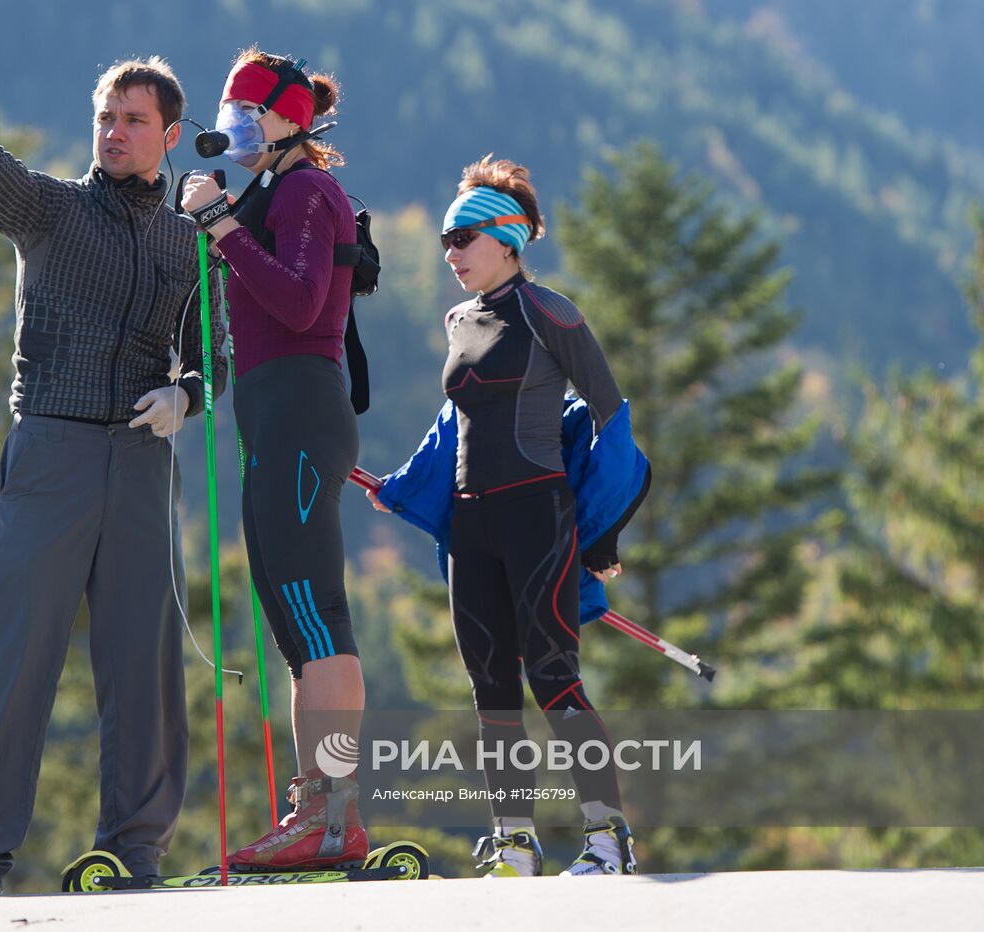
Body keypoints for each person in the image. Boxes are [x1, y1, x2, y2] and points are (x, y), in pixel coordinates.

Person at [0, 58, 226, 891]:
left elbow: (225, 350)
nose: (114, 131)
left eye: (134, 120)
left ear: (170, 136)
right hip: (52, 450)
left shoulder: (191, 241)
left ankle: (135, 851)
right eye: (106, 116)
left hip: (145, 457)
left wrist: (189, 393)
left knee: (144, 661)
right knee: (14, 657)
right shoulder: (53, 210)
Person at [369, 156, 644, 877]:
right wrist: (404, 486)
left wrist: (601, 534)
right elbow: (451, 425)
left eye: (462, 237)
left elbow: (612, 422)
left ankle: (606, 837)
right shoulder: (459, 320)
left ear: (507, 237)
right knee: (490, 686)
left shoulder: (549, 311)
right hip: (471, 527)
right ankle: (515, 842)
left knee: (554, 676)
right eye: (444, 241)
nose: (450, 252)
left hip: (537, 516)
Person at [179, 49, 366, 871]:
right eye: (232, 113)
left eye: (252, 113)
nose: (239, 127)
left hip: (297, 409)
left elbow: (296, 301)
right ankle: (314, 812)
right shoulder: (273, 190)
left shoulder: (301, 190)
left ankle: (334, 815)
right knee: (296, 623)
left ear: (292, 119)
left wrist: (221, 226)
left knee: (316, 616)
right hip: (278, 414)